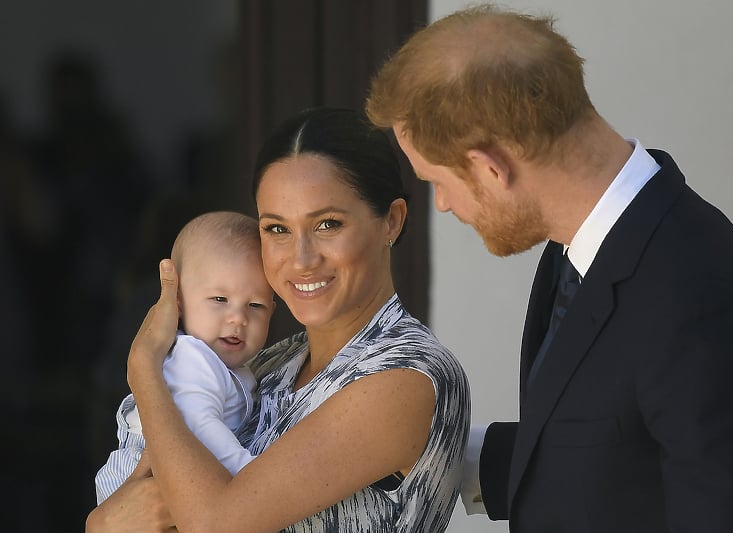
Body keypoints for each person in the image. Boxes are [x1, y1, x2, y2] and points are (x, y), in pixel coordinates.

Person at [365, 4, 733, 532]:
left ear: (491, 167)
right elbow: (608, 448)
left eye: (437, 181)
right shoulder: (585, 244)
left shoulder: (699, 301)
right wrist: (421, 446)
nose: (445, 204)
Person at [85, 106, 471, 532]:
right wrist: (103, 522)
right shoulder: (270, 365)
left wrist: (144, 368)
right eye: (277, 229)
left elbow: (215, 523)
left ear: (391, 222)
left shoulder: (406, 375)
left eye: (328, 224)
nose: (301, 260)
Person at [94, 210, 275, 504]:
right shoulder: (193, 358)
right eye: (220, 299)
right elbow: (200, 425)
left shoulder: (232, 366)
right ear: (178, 303)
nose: (238, 318)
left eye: (255, 306)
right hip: (144, 478)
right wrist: (249, 474)